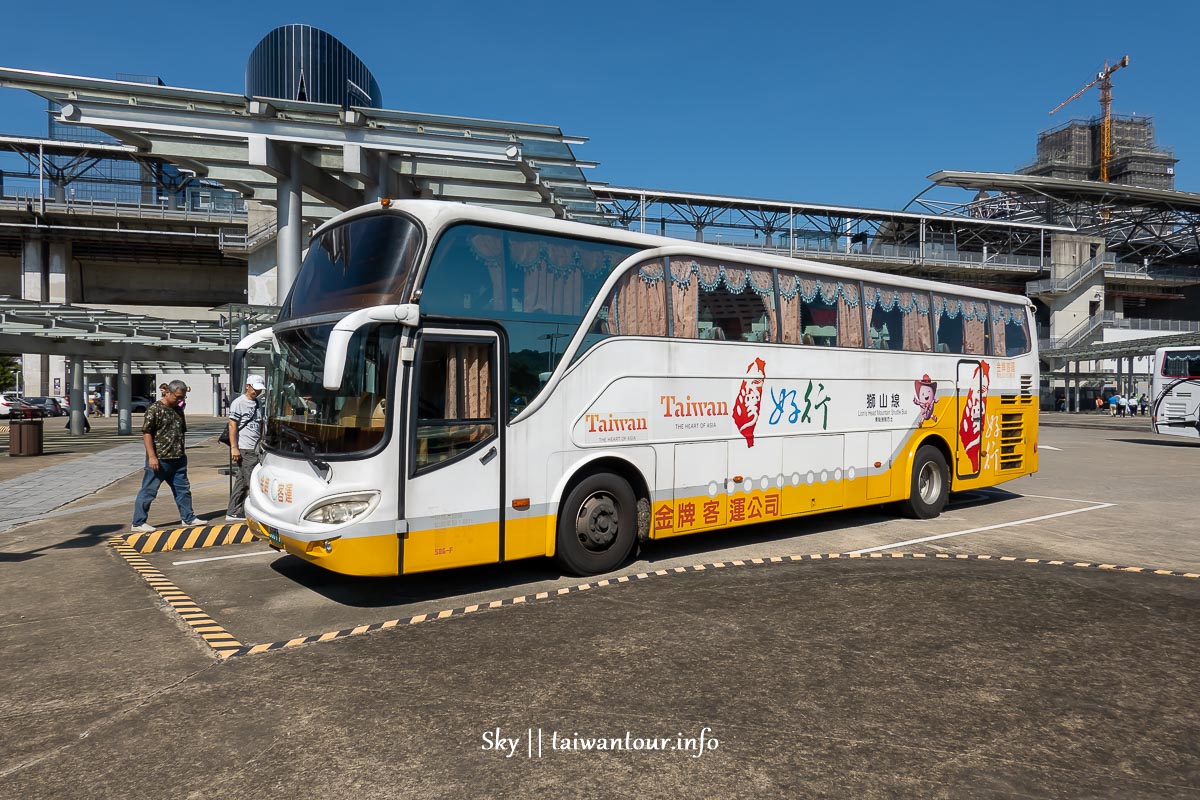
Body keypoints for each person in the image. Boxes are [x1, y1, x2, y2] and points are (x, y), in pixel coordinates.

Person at [131, 380, 203, 533]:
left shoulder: (178, 410)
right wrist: (152, 456)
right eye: (177, 397)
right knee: (149, 491)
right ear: (168, 392)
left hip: (178, 458)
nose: (180, 400)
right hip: (160, 459)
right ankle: (138, 522)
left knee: (183, 490)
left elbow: (181, 432)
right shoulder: (154, 409)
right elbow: (147, 433)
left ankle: (188, 518)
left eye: (182, 397)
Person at [225, 375, 266, 522]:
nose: (257, 392)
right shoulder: (239, 403)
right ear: (248, 386)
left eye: (260, 390)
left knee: (241, 481)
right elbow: (232, 425)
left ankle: (233, 511)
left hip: (255, 448)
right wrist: (234, 448)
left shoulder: (258, 403)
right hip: (244, 448)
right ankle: (259, 512)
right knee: (252, 481)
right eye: (255, 389)